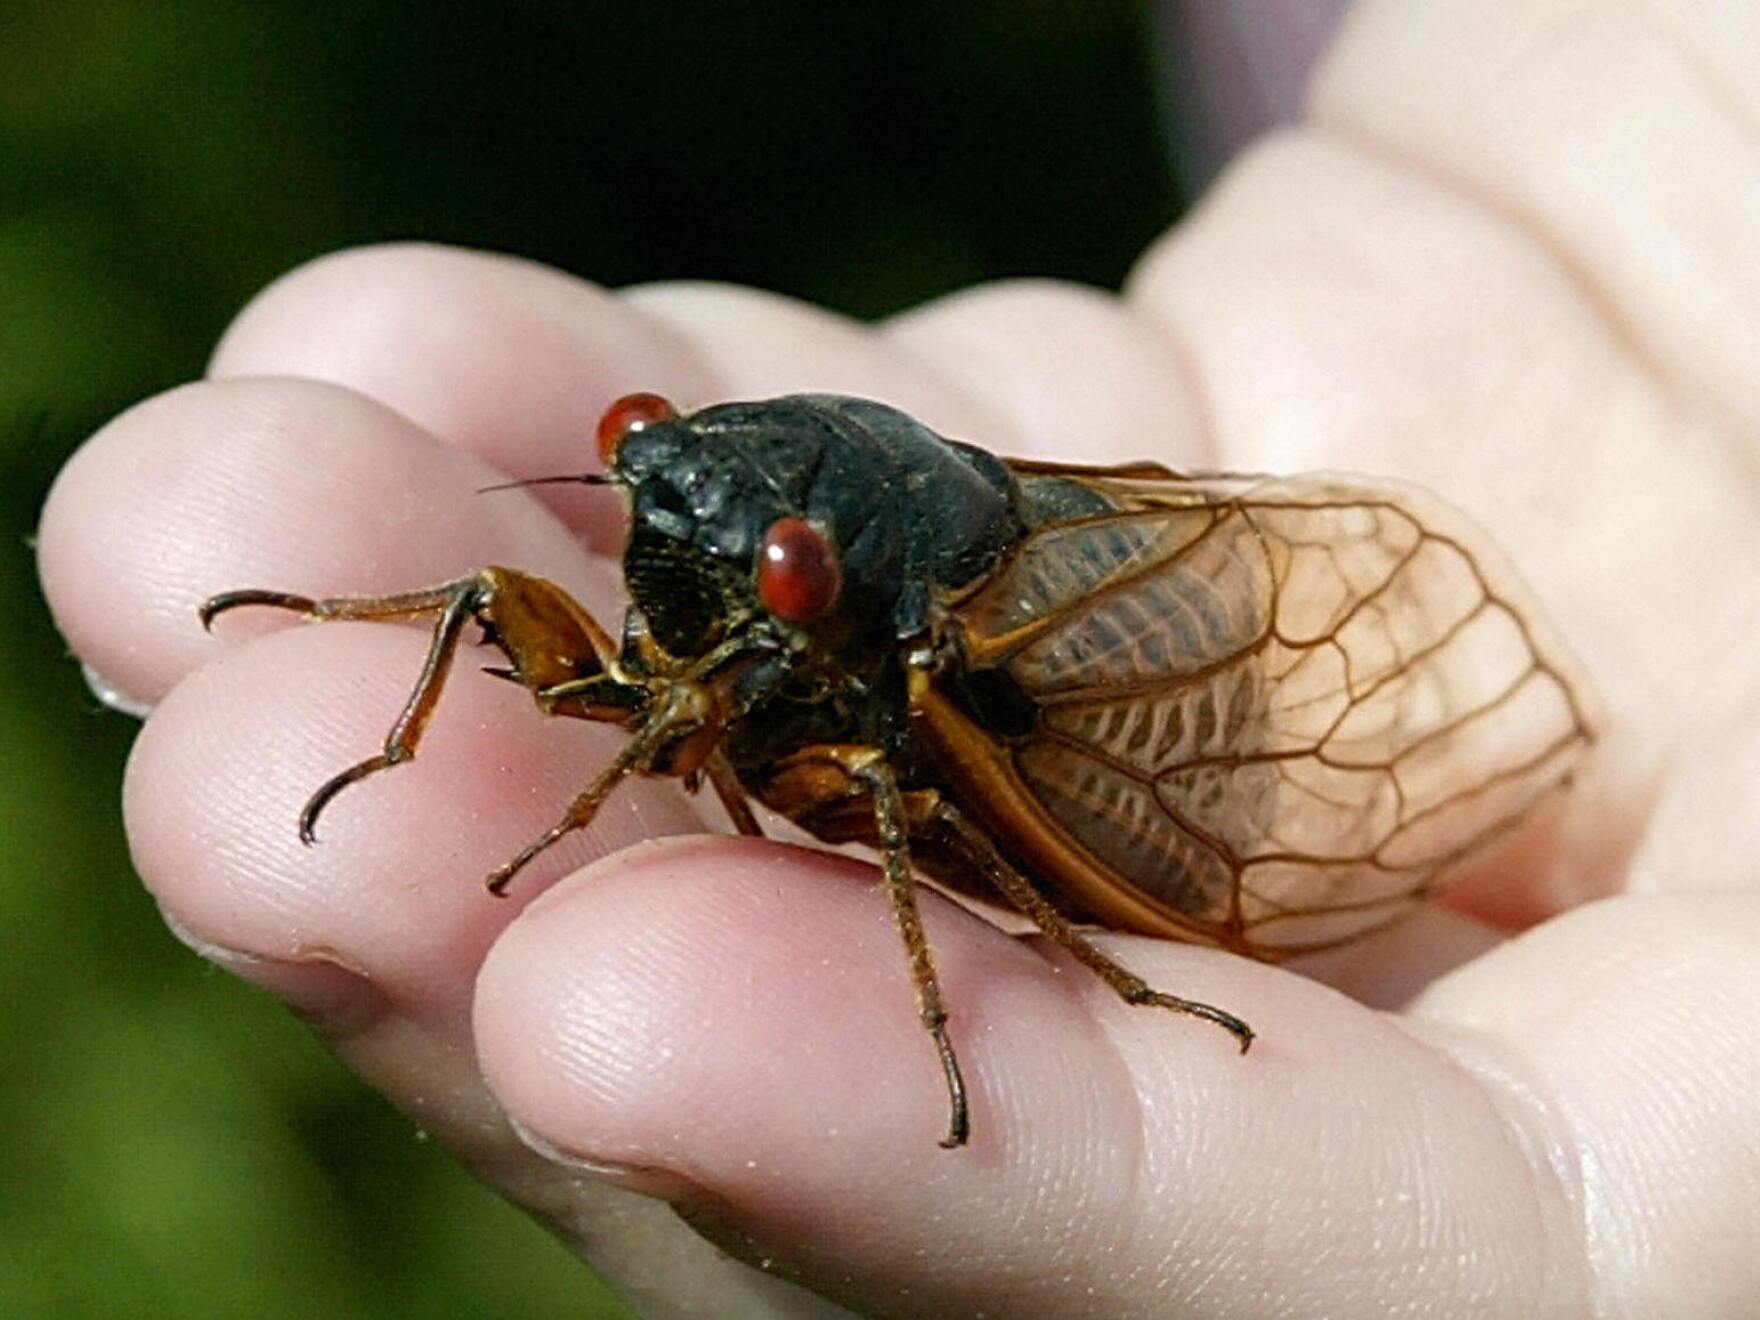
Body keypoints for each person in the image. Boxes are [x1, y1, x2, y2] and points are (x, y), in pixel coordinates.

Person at [35, 2, 1760, 1314]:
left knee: (875, 769)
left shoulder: (874, 650)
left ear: (819, 583)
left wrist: (1081, 972)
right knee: (495, 595)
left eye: (772, 572)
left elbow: (846, 771)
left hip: (1049, 673)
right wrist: (391, 656)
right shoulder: (711, 554)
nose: (654, 541)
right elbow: (611, 633)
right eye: (635, 453)